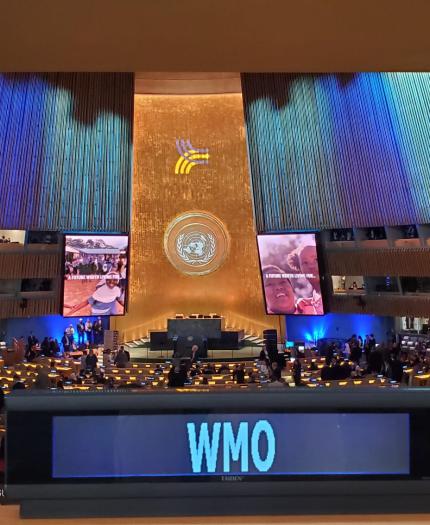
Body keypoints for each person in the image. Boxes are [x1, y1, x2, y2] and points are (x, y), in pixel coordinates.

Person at [287, 244, 324, 315]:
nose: (311, 266)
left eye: (316, 259)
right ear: (300, 270)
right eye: (305, 262)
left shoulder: (340, 284)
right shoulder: (304, 306)